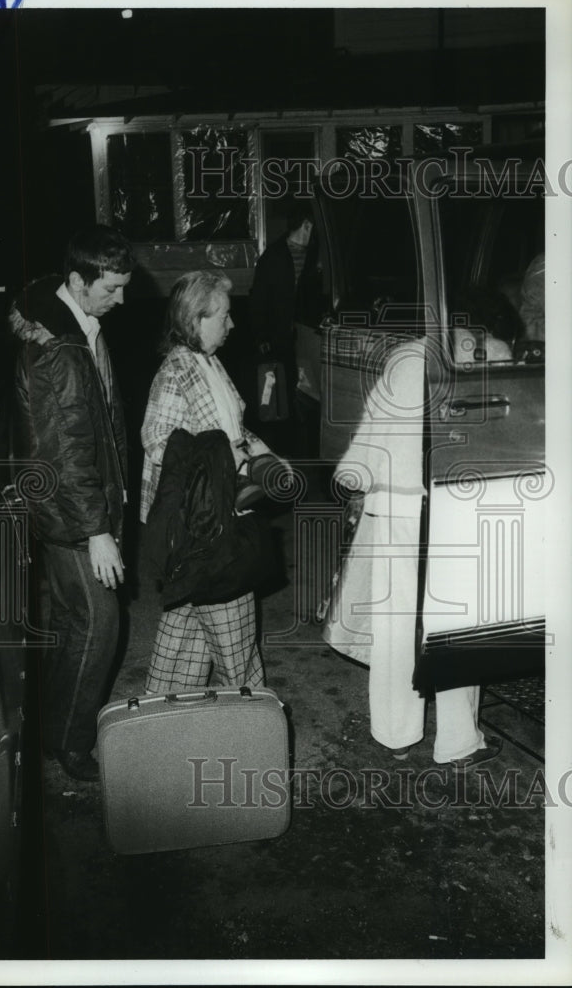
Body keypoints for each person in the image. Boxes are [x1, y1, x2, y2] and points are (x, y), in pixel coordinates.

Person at [323, 337, 502, 771]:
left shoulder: (405, 356)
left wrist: (356, 481)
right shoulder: (492, 350)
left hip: (395, 507)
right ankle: (459, 742)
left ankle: (395, 736)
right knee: (457, 621)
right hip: (452, 503)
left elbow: (371, 431)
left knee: (396, 623)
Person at [10, 224, 135, 781]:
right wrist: (97, 530)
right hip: (71, 515)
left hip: (73, 509)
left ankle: (42, 727)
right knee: (99, 625)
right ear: (78, 281)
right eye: (111, 288)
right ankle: (71, 742)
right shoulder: (59, 347)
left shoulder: (78, 325)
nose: (122, 299)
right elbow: (66, 450)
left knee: (71, 621)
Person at [140, 270, 271, 694]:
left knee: (183, 643)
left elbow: (232, 428)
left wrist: (264, 455)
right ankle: (255, 726)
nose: (231, 325)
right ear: (196, 319)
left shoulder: (208, 363)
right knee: (237, 647)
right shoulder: (173, 373)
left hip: (200, 530)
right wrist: (225, 459)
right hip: (202, 530)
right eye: (223, 316)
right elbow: (158, 443)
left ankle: (162, 723)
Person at [248, 199, 316, 455]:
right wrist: (261, 336)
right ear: (307, 225)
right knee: (280, 402)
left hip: (306, 340)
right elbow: (259, 299)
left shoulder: (315, 256)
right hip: (280, 341)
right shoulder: (274, 256)